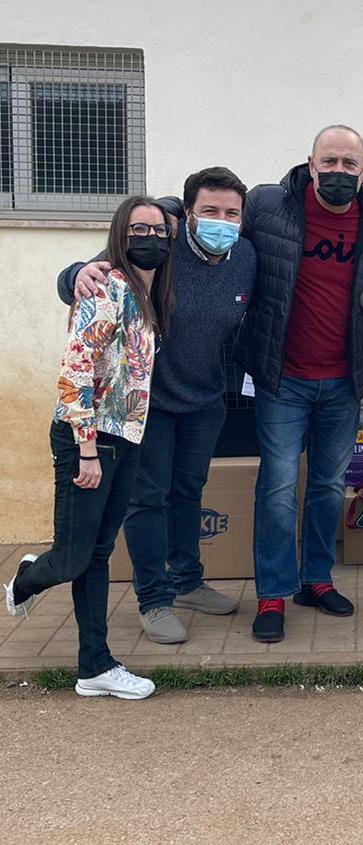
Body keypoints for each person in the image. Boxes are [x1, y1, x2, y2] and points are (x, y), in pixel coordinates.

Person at [57, 167, 256, 645]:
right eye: (209, 211)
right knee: (149, 498)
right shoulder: (162, 250)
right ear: (187, 215)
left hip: (207, 399)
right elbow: (89, 277)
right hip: (149, 404)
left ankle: (188, 581)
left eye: (231, 213)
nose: (221, 220)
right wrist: (73, 274)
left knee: (189, 491)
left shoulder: (246, 256)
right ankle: (153, 597)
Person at [5, 196, 174, 699]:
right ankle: (27, 579)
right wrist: (86, 451)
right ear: (120, 236)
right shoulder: (107, 289)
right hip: (89, 439)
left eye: (159, 230)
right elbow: (74, 371)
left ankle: (94, 667)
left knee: (98, 554)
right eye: (138, 230)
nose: (151, 238)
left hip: (125, 437)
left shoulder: (151, 295)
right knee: (76, 558)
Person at [239, 125, 363, 643]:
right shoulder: (267, 206)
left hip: (344, 381)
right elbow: (194, 217)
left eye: (350, 164)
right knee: (279, 488)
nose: (339, 173)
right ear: (310, 163)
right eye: (330, 162)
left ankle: (317, 580)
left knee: (328, 487)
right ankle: (272, 594)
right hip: (283, 378)